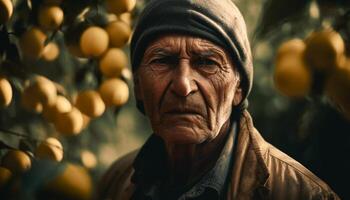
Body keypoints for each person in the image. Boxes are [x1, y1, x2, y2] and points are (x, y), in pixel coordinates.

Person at [98, 0, 340, 199]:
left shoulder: (303, 194)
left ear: (239, 88)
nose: (183, 85)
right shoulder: (117, 181)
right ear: (138, 86)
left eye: (206, 63)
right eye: (163, 61)